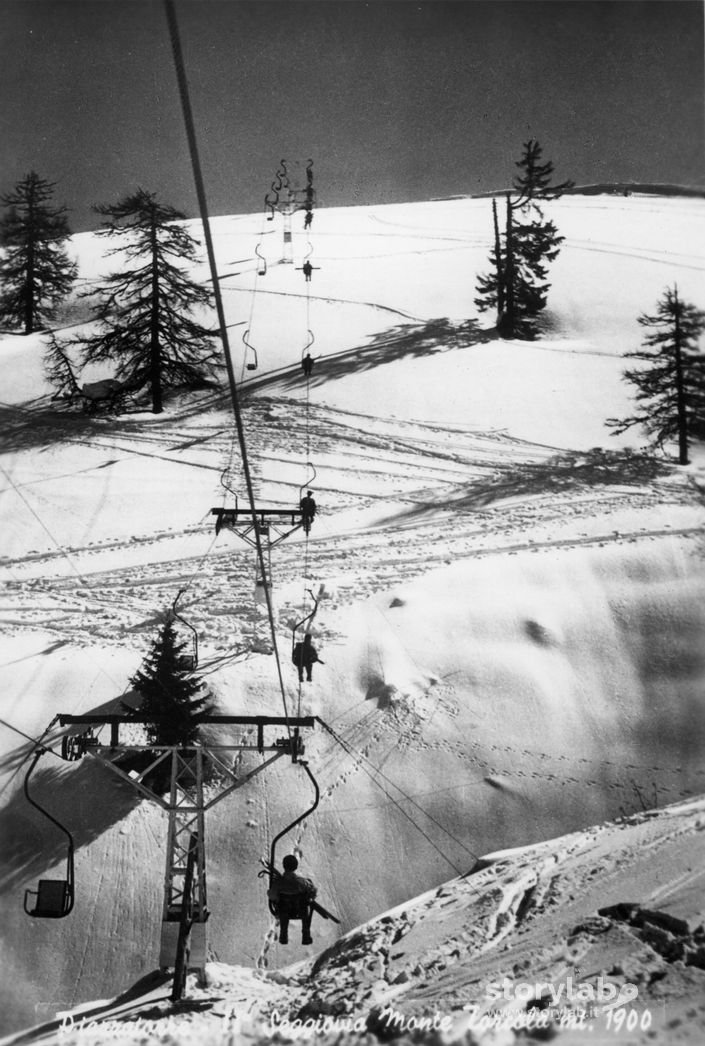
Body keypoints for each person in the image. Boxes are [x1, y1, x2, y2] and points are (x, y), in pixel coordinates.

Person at [268, 854, 317, 945]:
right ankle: (306, 935)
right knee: (306, 905)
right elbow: (313, 890)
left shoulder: (278, 883)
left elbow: (272, 895)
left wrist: (274, 897)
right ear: (296, 866)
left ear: (283, 865)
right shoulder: (302, 882)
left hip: (284, 911)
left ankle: (283, 936)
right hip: (299, 910)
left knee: (282, 906)